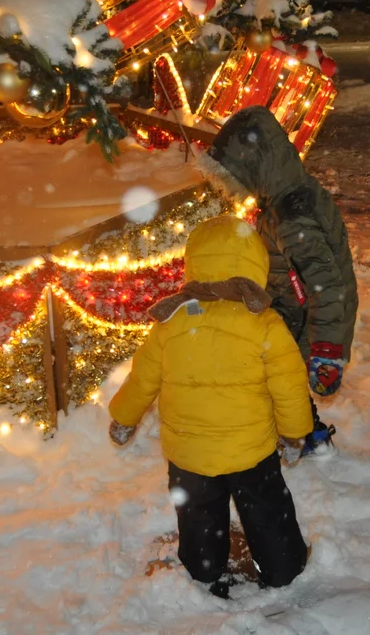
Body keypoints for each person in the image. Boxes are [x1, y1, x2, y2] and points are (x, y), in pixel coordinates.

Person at [108, 215, 313, 599]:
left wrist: (123, 417)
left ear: (195, 262)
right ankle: (283, 566)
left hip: (190, 454)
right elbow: (289, 388)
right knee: (267, 511)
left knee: (199, 515)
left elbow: (142, 379)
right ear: (256, 264)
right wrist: (293, 433)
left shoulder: (171, 322)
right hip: (251, 451)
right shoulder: (265, 324)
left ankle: (204, 571)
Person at [197, 106, 358, 456]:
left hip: (305, 318)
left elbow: (326, 285)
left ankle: (301, 436)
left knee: (281, 378)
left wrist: (326, 351)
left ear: (255, 165)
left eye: (235, 176)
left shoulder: (291, 217)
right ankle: (297, 432)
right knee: (280, 378)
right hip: (294, 306)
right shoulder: (289, 194)